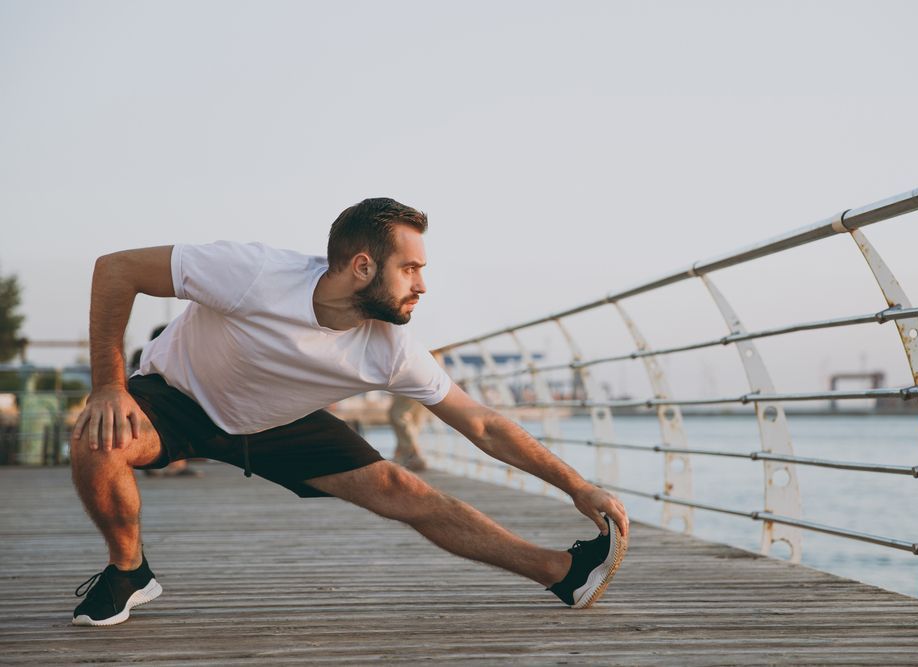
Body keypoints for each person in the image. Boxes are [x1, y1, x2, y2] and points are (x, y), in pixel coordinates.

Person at [69, 198, 629, 626]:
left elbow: (481, 423)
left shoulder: (390, 348)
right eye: (409, 269)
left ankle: (564, 573)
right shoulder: (253, 273)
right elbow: (117, 269)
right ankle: (129, 570)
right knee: (99, 442)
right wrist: (108, 387)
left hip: (277, 423)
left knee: (406, 491)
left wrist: (577, 486)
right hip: (178, 398)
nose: (422, 285)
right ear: (363, 265)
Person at [128, 325, 200, 478]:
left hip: (139, 404)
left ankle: (150, 464)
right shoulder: (173, 357)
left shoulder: (142, 356)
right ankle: (177, 465)